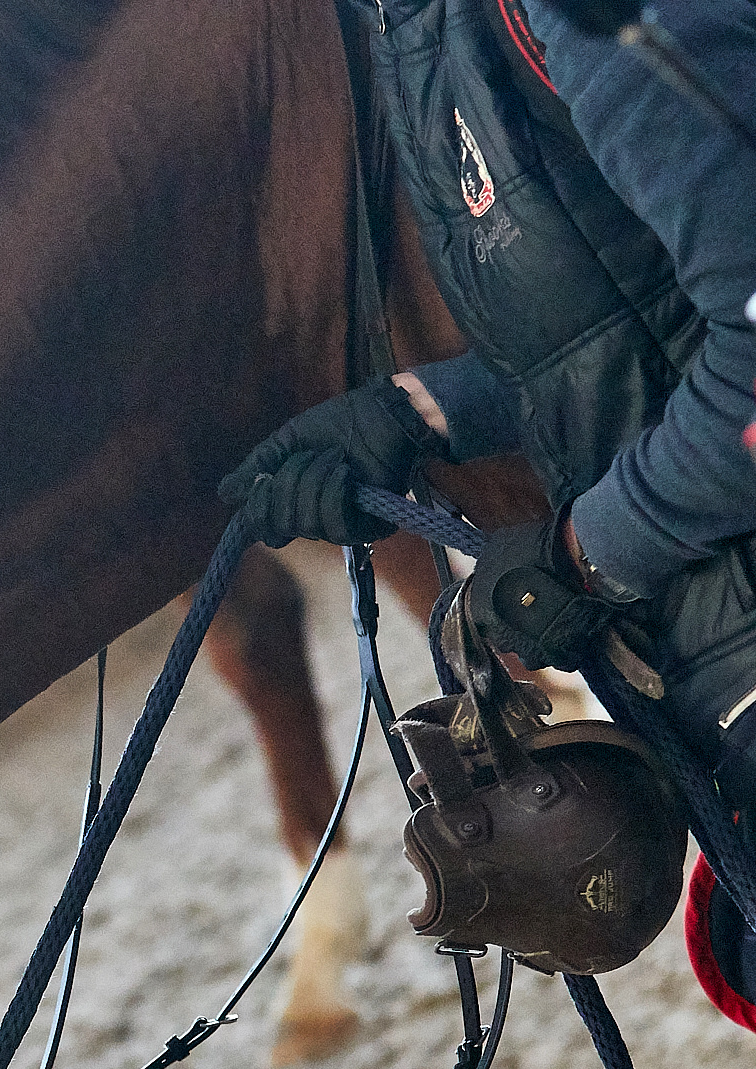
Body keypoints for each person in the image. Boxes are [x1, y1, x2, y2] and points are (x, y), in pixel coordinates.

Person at [219, 0, 756, 801]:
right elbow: (646, 327)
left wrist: (582, 557)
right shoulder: (413, 33)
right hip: (708, 688)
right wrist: (418, 414)